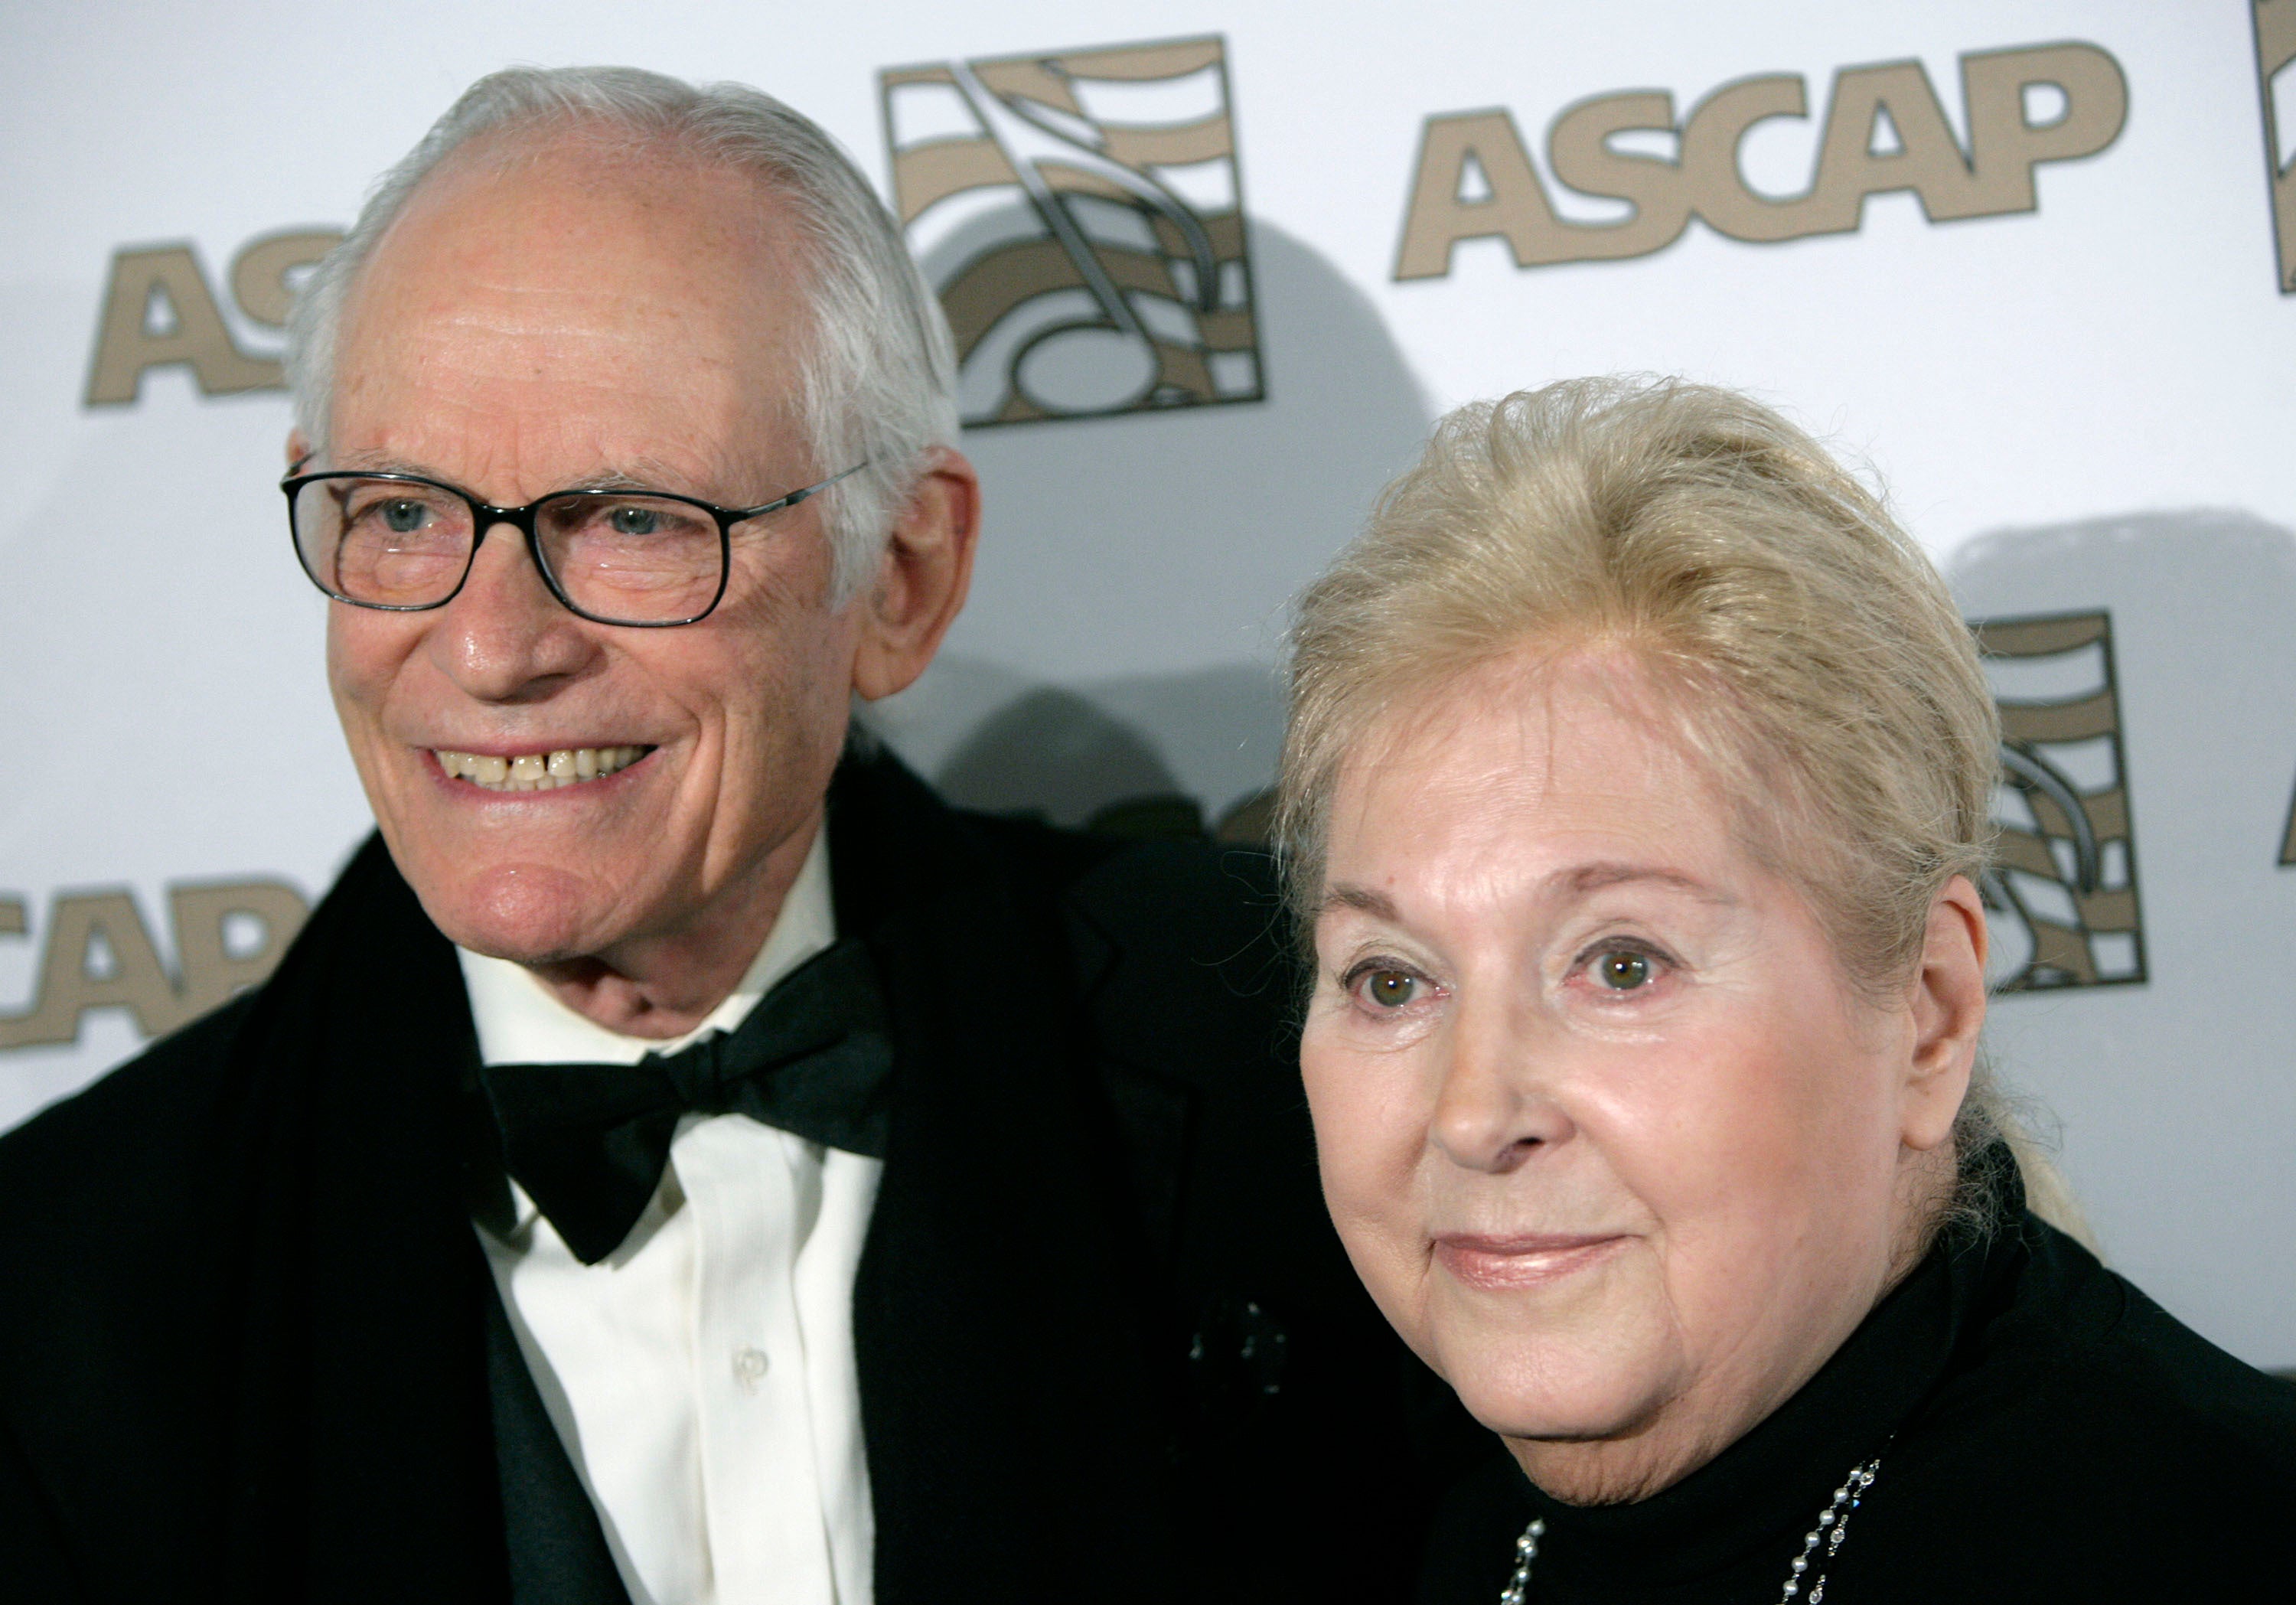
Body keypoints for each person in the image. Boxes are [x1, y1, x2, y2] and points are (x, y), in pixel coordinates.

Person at [0, 67, 1475, 1604]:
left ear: (900, 575)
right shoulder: (64, 1291)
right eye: (403, 513)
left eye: (634, 519)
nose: (493, 646)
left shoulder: (1288, 1061)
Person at [1274, 377, 2296, 1602]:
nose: (1476, 1113)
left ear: (1927, 1012)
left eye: (1622, 964)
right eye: (1393, 981)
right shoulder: (1391, 1534)